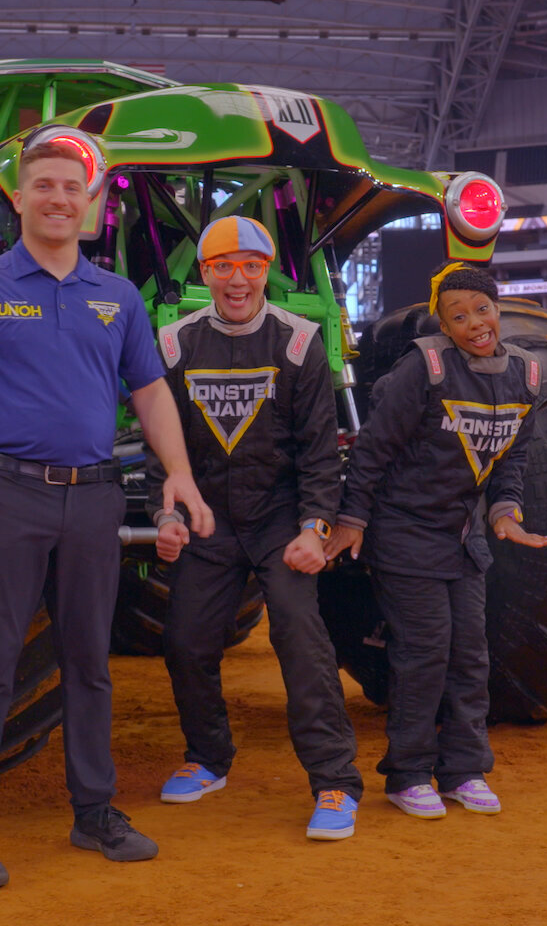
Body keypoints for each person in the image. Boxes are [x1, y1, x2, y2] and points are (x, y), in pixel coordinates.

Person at [0, 136, 215, 890]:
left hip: (94, 499)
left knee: (90, 666)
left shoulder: (117, 297)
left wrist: (181, 476)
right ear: (20, 199)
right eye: (46, 186)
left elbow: (152, 395)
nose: (60, 198)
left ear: (91, 204)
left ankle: (94, 813)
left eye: (74, 187)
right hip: (7, 498)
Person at [147, 215, 363, 841]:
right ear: (205, 273)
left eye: (250, 266)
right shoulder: (175, 342)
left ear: (267, 270)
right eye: (222, 266)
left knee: (301, 641)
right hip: (208, 519)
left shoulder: (298, 341)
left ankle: (334, 783)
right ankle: (209, 759)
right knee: (185, 641)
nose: (236, 279)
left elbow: (322, 452)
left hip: (279, 521)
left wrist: (314, 528)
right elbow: (163, 451)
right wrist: (168, 515)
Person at [323, 263, 547, 820]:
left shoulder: (526, 375)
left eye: (482, 309)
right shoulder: (422, 368)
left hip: (462, 538)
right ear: (443, 327)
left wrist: (504, 510)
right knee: (424, 654)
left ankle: (464, 770)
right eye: (459, 316)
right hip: (404, 533)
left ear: (499, 310)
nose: (474, 323)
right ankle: (407, 774)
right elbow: (371, 450)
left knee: (470, 656)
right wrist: (352, 520)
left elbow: (512, 453)